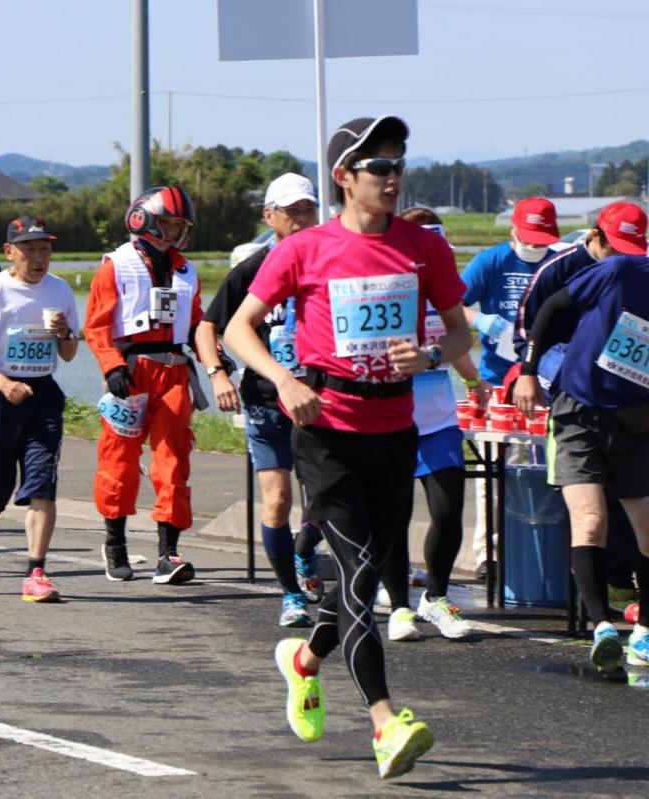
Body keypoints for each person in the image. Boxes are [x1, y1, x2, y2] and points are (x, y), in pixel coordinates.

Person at [224, 116, 471, 779]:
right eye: (378, 167)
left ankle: (304, 661)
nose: (392, 178)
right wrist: (283, 380)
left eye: (398, 166)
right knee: (361, 572)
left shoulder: (423, 247)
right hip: (325, 433)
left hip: (394, 432)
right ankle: (385, 722)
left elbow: (459, 334)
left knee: (361, 576)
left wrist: (430, 356)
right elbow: (238, 329)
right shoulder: (304, 248)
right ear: (344, 177)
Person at [196, 173, 323, 625]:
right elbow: (208, 327)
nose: (302, 219)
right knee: (278, 499)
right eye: (291, 212)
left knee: (326, 500)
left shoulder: (330, 261)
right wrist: (218, 375)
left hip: (319, 399)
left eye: (309, 210)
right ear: (270, 216)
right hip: (266, 399)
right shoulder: (254, 268)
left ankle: (304, 551)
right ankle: (291, 595)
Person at [515, 253, 649, 670]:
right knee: (590, 520)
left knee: (647, 531)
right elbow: (552, 306)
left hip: (636, 421)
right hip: (577, 408)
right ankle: (602, 628)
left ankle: (644, 631)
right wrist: (528, 370)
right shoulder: (621, 271)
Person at [378, 207, 490, 642]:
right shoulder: (385, 288)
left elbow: (456, 342)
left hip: (439, 419)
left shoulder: (443, 293)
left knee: (447, 511)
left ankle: (436, 598)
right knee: (394, 517)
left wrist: (474, 381)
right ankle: (399, 607)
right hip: (390, 419)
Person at [85, 186, 206, 585]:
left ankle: (168, 554)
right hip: (132, 372)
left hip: (174, 371)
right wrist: (112, 366)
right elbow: (97, 325)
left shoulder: (187, 272)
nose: (173, 232)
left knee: (173, 460)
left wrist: (216, 357)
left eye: (179, 226)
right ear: (145, 220)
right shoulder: (116, 266)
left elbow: (197, 323)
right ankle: (115, 543)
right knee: (119, 460)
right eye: (167, 224)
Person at [0, 216, 79, 602]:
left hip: (43, 394)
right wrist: (4, 384)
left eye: (45, 249)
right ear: (9, 251)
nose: (39, 257)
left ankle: (36, 573)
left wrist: (64, 333)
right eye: (29, 250)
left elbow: (69, 353)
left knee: (43, 484)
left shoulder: (60, 290)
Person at [461, 197, 559, 578]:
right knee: (492, 469)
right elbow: (452, 305)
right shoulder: (491, 261)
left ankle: (545, 551)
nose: (534, 246)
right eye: (528, 237)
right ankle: (489, 553)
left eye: (541, 240)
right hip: (495, 379)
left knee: (545, 466)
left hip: (544, 381)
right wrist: (479, 320)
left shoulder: (560, 263)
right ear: (513, 229)